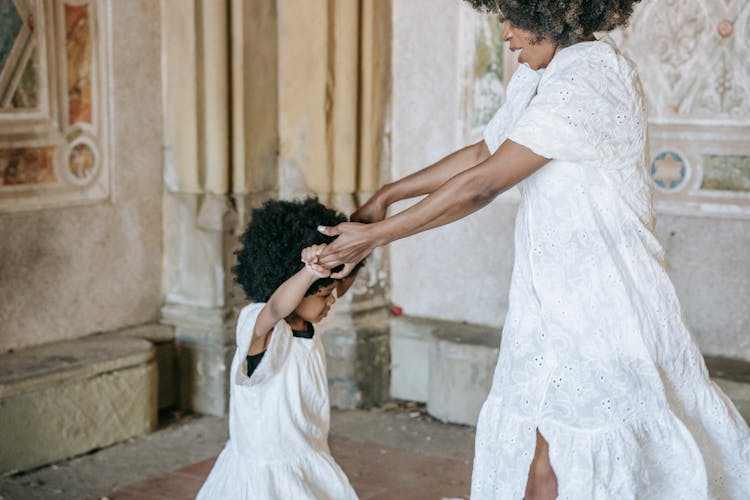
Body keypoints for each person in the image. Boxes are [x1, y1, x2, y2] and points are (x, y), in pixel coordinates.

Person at [316, 1, 750, 498]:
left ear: (554, 16)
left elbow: (482, 184)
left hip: (601, 299)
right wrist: (385, 197)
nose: (506, 35)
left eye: (515, 19)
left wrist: (376, 235)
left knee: (567, 451)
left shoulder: (589, 79)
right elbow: (485, 152)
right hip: (549, 294)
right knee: (542, 451)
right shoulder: (540, 76)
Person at [196, 198, 360, 500]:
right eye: (325, 295)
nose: (332, 300)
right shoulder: (260, 327)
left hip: (308, 452)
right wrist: (311, 270)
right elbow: (276, 307)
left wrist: (355, 244)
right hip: (266, 466)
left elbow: (342, 280)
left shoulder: (311, 325)